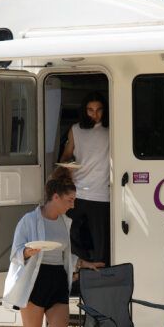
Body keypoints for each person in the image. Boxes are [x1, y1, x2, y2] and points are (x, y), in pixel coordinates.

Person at [3, 168, 103, 327]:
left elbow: (65, 255)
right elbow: (16, 252)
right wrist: (28, 251)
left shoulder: (64, 222)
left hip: (57, 280)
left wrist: (83, 263)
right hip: (34, 283)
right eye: (69, 200)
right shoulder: (29, 220)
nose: (73, 204)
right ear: (55, 197)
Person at [60, 91, 110, 265]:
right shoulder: (75, 130)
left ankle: (101, 278)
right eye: (90, 110)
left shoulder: (111, 131)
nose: (95, 114)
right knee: (68, 230)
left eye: (98, 110)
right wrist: (67, 165)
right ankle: (82, 266)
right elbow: (65, 156)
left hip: (102, 194)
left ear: (105, 111)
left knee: (102, 243)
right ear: (84, 111)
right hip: (77, 192)